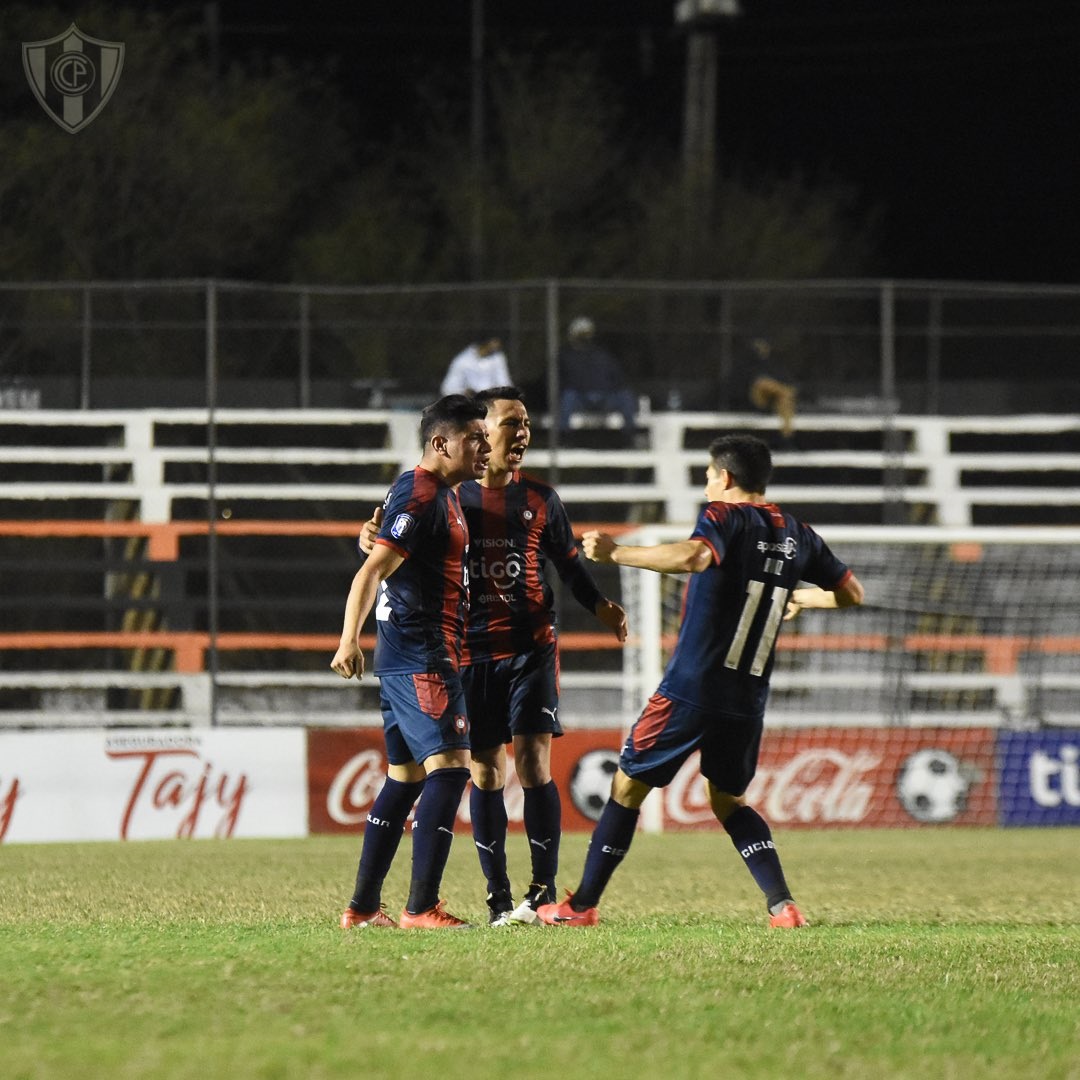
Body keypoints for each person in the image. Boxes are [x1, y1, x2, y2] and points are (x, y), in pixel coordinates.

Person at [535, 433, 864, 929]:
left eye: (709, 476)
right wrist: (800, 599)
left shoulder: (723, 517)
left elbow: (695, 557)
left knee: (627, 787)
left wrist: (616, 553)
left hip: (691, 688)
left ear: (725, 477)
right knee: (727, 800)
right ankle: (783, 905)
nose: (707, 485)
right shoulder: (799, 532)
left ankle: (581, 907)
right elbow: (851, 593)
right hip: (747, 698)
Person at [358, 385, 628, 926]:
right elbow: (395, 539)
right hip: (467, 650)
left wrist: (599, 605)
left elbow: (569, 563)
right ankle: (498, 896)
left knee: (531, 762)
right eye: (508, 424)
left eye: (524, 424)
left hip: (531, 647)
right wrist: (369, 534)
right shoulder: (448, 494)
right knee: (483, 773)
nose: (519, 433)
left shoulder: (540, 500)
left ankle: (543, 890)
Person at [331, 394, 491, 930]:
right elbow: (373, 570)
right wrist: (348, 639)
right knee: (450, 769)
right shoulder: (424, 495)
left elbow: (387, 548)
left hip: (411, 653)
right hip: (422, 652)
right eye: (476, 438)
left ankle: (361, 907)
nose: (485, 446)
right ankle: (421, 907)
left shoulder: (421, 488)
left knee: (404, 778)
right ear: (441, 442)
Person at [557, 316, 638, 444]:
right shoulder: (565, 356)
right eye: (580, 334)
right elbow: (561, 383)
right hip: (581, 400)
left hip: (604, 399)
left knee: (625, 396)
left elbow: (618, 380)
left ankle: (629, 437)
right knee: (568, 396)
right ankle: (564, 438)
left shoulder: (602, 355)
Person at [440, 336, 512, 397]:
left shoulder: (498, 357)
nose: (497, 345)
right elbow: (447, 389)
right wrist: (463, 392)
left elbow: (505, 383)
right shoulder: (462, 360)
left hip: (492, 401)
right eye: (494, 342)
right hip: (469, 403)